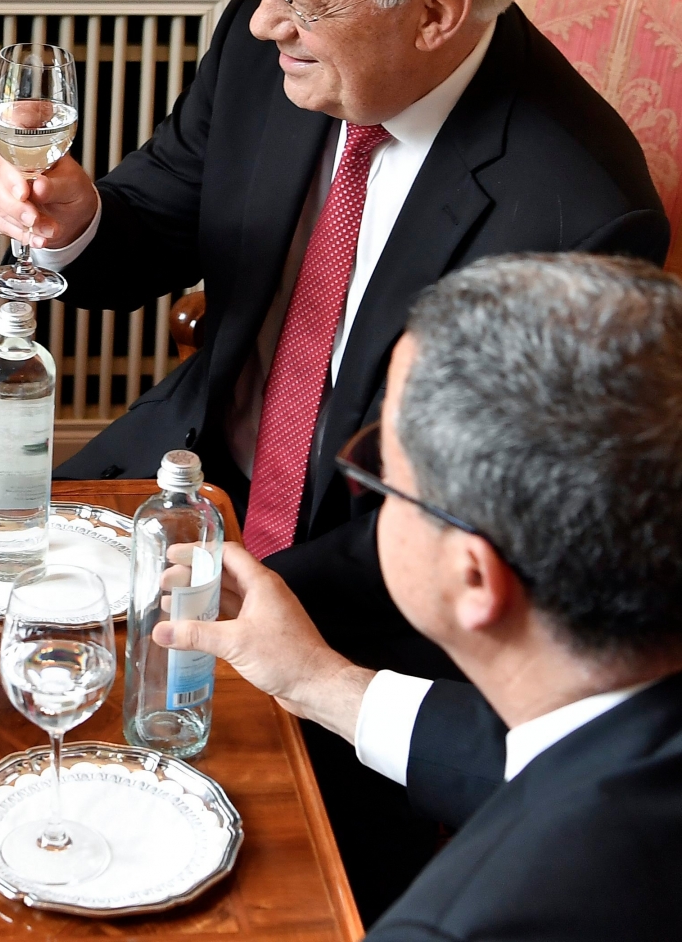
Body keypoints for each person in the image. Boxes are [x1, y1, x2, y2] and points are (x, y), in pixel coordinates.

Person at [0, 0, 668, 912]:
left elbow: (500, 523)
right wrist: (73, 221)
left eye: (304, 2)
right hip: (184, 469)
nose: (266, 23)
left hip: (367, 584)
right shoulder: (271, 51)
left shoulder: (578, 206)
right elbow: (162, 212)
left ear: (439, 12)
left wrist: (207, 603)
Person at [160, 253, 682, 939]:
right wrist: (321, 681)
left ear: (474, 577)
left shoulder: (460, 925)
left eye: (383, 472)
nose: (372, 485)